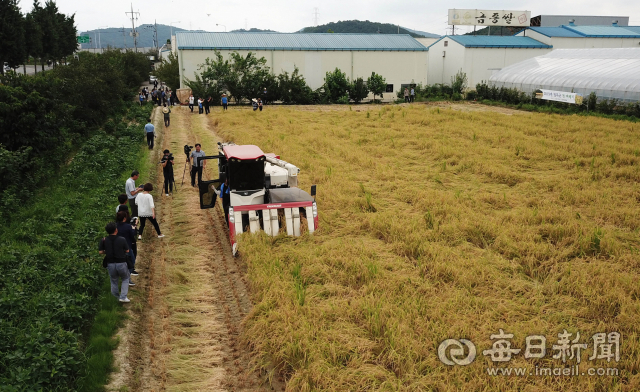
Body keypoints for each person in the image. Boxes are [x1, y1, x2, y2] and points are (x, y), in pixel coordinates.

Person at [98, 222, 131, 303]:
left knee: (113, 280)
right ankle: (123, 297)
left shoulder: (104, 240)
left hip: (110, 264)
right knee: (125, 278)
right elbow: (127, 250)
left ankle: (115, 298)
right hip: (121, 263)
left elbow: (100, 252)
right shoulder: (122, 239)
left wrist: (108, 251)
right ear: (116, 230)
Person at [116, 211, 139, 278]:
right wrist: (134, 226)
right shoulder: (128, 226)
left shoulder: (115, 225)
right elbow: (132, 234)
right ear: (124, 218)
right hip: (127, 246)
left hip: (118, 247)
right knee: (132, 261)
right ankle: (127, 274)